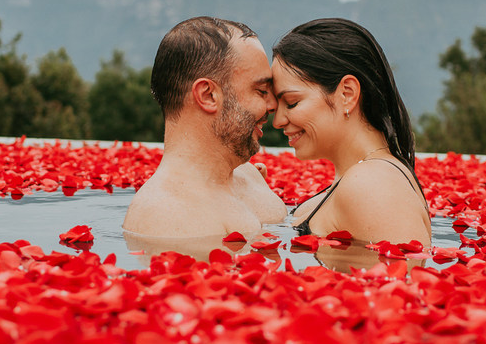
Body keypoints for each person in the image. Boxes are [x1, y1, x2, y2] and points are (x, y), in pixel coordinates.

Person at [122, 16, 286, 244]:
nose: (273, 105)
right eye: (260, 91)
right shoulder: (166, 216)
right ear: (208, 95)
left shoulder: (249, 176)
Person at [271, 17, 431, 247]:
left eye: (292, 102)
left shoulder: (371, 184)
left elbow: (399, 279)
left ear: (347, 93)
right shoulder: (365, 176)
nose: (277, 121)